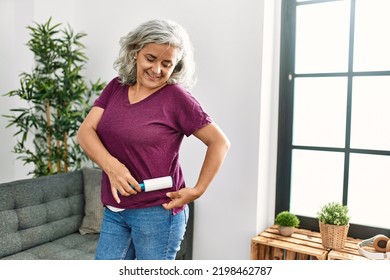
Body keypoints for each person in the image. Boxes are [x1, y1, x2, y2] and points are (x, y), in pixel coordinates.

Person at [77, 19, 230, 260]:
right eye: (151, 58)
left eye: (167, 64)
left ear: (176, 66)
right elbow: (85, 132)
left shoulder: (177, 98)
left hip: (157, 213)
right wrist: (111, 166)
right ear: (135, 52)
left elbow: (219, 142)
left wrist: (198, 190)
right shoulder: (116, 87)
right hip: (115, 209)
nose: (157, 70)